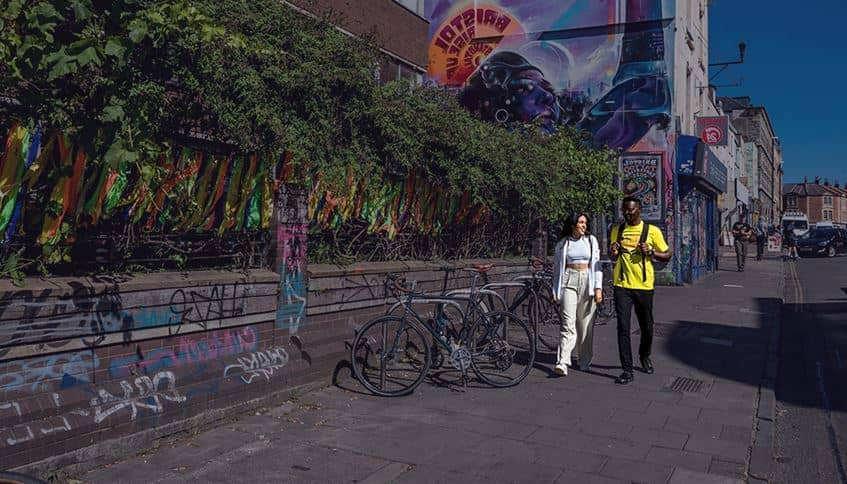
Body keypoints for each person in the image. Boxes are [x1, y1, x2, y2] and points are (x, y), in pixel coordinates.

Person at [609, 197, 672, 385]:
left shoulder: (652, 231)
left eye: (631, 210)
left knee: (647, 327)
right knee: (623, 328)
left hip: (644, 288)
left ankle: (644, 355)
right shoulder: (617, 230)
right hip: (622, 286)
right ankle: (627, 370)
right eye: (624, 211)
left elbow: (667, 254)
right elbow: (612, 255)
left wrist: (652, 252)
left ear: (639, 210)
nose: (627, 213)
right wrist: (613, 251)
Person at [551, 213, 603, 376]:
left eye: (585, 223)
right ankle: (563, 362)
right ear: (573, 224)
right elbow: (557, 269)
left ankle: (584, 360)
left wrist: (598, 288)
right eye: (580, 222)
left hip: (587, 280)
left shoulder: (591, 241)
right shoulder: (563, 243)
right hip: (569, 280)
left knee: (585, 324)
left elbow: (596, 265)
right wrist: (555, 290)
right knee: (568, 323)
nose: (584, 226)